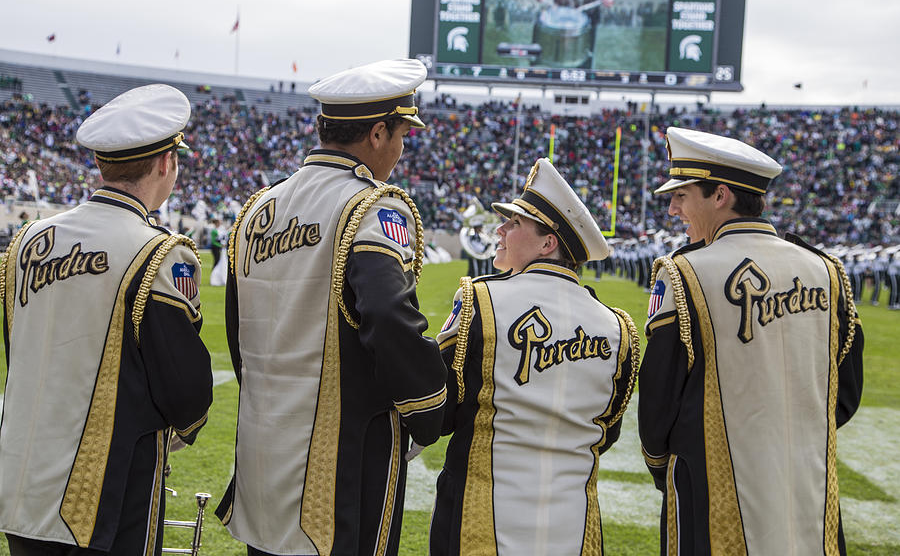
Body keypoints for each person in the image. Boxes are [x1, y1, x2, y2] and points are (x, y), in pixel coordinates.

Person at [216, 59, 447, 556]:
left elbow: (239, 337)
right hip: (338, 468)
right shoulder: (374, 207)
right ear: (378, 133)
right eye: (402, 134)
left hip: (261, 454)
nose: (403, 150)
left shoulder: (258, 209)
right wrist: (429, 408)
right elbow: (388, 318)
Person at [0, 84, 213, 555]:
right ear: (165, 163)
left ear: (100, 163)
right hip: (105, 495)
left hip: (20, 485)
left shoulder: (27, 242)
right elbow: (187, 392)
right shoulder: (160, 253)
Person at [638, 127, 864, 555]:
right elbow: (846, 393)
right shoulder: (826, 270)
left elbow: (657, 402)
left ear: (720, 196)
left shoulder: (684, 273)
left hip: (711, 486)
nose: (672, 209)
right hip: (805, 478)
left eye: (681, 196)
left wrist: (664, 466)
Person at [430, 158, 640, 555]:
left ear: (548, 243)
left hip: (481, 519)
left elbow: (439, 412)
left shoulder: (480, 300)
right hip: (574, 525)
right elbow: (606, 432)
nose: (500, 229)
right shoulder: (618, 327)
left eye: (514, 223)